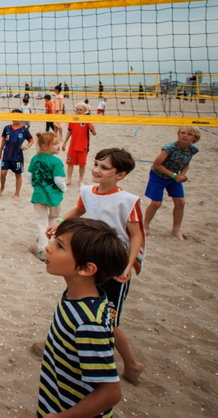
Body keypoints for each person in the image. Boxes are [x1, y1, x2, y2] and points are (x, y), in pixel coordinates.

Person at [47, 148, 146, 385]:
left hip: (114, 264)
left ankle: (131, 364)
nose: (97, 170)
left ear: (120, 174)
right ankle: (69, 347)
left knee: (108, 320)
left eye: (104, 168)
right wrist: (61, 222)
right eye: (96, 164)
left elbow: (137, 237)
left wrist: (128, 265)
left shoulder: (127, 200)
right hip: (91, 259)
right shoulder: (87, 191)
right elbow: (79, 210)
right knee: (80, 303)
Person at [37, 218, 128, 417]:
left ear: (86, 269)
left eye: (59, 246)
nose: (48, 247)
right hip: (55, 398)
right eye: (54, 241)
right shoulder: (78, 298)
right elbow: (112, 328)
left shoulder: (88, 324)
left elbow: (111, 392)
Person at [143, 126, 200, 240]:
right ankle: (145, 226)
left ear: (195, 138)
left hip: (174, 177)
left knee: (181, 202)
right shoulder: (169, 148)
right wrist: (175, 175)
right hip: (158, 176)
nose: (184, 135)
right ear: (178, 134)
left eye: (189, 134)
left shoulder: (192, 149)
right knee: (156, 204)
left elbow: (186, 163)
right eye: (182, 133)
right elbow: (156, 164)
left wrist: (183, 174)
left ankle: (176, 230)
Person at [27, 131, 66, 260]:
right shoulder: (56, 161)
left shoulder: (35, 158)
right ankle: (44, 247)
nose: (59, 146)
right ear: (45, 146)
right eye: (55, 144)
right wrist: (64, 189)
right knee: (54, 219)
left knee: (41, 221)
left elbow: (29, 175)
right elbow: (59, 180)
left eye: (58, 143)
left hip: (39, 194)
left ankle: (41, 244)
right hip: (54, 196)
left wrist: (36, 186)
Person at [0, 110, 33, 199]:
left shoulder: (24, 129)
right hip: (6, 154)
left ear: (21, 118)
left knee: (18, 174)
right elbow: (3, 140)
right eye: (13, 116)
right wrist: (0, 151)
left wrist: (26, 147)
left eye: (17, 116)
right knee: (2, 173)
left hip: (17, 156)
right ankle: (2, 187)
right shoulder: (7, 128)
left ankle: (17, 193)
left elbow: (31, 140)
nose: (15, 118)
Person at [62, 103, 97, 186]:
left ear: (85, 111)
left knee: (82, 164)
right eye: (77, 109)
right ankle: (68, 179)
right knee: (70, 163)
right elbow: (69, 132)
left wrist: (93, 129)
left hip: (83, 145)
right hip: (73, 145)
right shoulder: (73, 119)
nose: (79, 111)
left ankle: (80, 180)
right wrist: (64, 142)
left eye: (81, 110)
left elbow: (94, 133)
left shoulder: (87, 119)